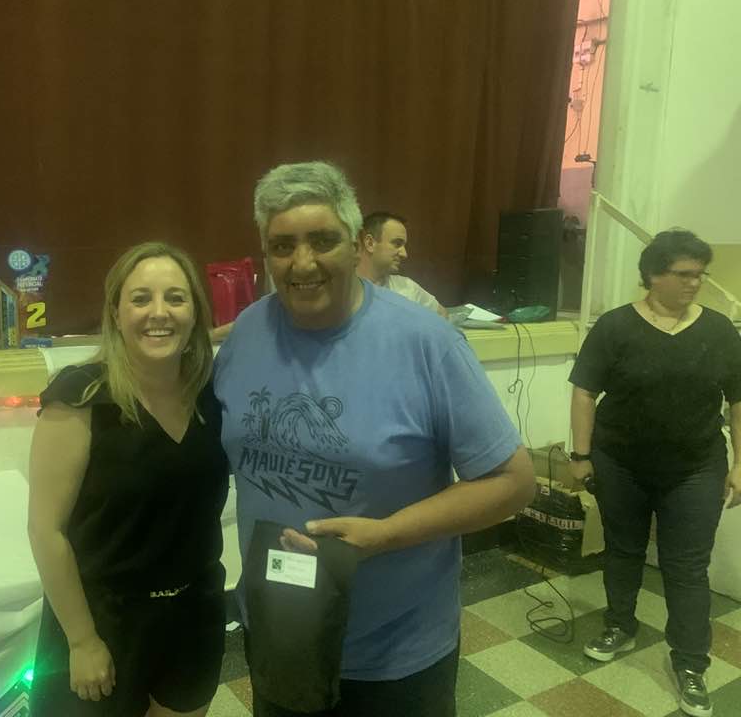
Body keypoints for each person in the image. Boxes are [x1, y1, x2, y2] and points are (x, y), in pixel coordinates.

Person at [214, 161, 536, 717]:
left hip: (394, 654)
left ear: (356, 243)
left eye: (322, 241)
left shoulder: (425, 342)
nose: (302, 263)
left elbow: (514, 482)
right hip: (279, 633)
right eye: (282, 246)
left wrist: (385, 535)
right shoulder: (247, 333)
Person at [27, 242, 229, 717]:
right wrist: (82, 640)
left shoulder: (213, 393)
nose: (159, 312)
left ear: (195, 312)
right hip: (104, 621)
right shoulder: (80, 397)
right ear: (116, 314)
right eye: (141, 299)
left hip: (194, 614)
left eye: (176, 298)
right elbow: (45, 531)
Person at [568, 229, 741, 717]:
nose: (695, 283)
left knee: (686, 566)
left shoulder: (719, 331)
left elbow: (738, 400)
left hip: (695, 467)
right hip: (620, 463)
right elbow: (584, 391)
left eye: (700, 274)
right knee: (623, 549)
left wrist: (740, 464)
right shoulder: (616, 326)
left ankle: (690, 663)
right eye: (684, 274)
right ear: (653, 275)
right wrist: (581, 456)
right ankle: (620, 625)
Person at [356, 211, 448, 318]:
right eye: (397, 243)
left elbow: (442, 315)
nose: (404, 254)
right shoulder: (344, 291)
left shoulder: (407, 288)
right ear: (370, 243)